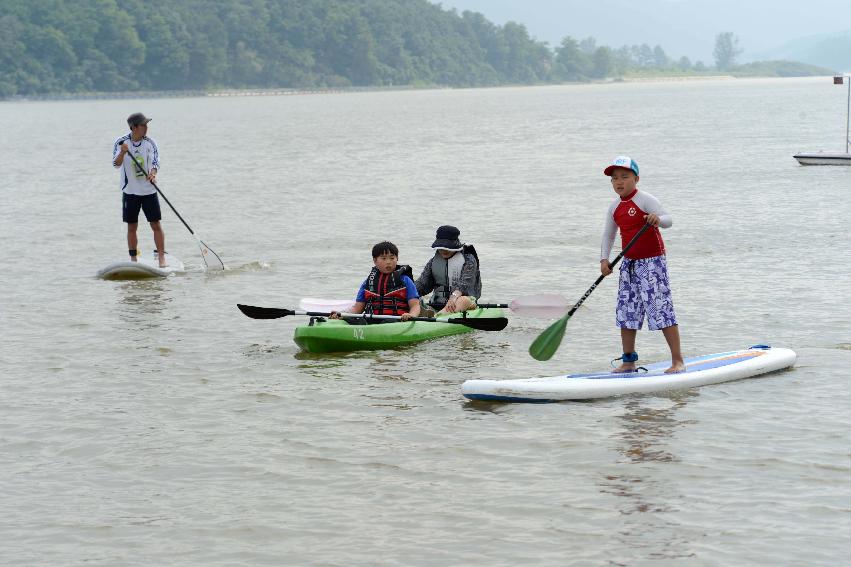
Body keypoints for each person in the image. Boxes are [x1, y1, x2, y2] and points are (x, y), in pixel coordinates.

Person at [599, 156, 684, 374]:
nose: (619, 182)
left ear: (636, 178)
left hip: (653, 262)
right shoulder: (614, 207)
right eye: (615, 178)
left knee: (661, 309)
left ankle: (677, 361)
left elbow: (669, 219)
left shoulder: (645, 199)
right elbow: (608, 236)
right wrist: (604, 260)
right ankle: (629, 362)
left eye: (625, 177)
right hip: (629, 263)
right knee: (627, 312)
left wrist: (657, 219)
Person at [112, 112, 167, 268]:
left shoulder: (150, 143)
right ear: (134, 127)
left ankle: (161, 257)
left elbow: (156, 161)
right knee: (132, 226)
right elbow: (116, 164)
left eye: (146, 124)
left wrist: (153, 173)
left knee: (155, 224)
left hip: (149, 190)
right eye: (143, 125)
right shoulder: (121, 142)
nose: (146, 127)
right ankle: (133, 260)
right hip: (130, 191)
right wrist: (122, 152)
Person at [330, 241, 421, 322]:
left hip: (395, 321)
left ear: (397, 259)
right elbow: (358, 308)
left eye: (392, 258)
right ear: (375, 260)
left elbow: (415, 305)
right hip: (371, 320)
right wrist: (342, 314)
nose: (388, 262)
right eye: (384, 258)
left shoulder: (405, 280)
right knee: (354, 320)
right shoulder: (368, 282)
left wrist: (411, 315)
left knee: (386, 321)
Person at [415, 225, 482, 315]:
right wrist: (406, 293)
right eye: (441, 247)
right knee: (413, 298)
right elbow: (422, 284)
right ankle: (429, 313)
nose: (443, 250)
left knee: (463, 300)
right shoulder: (433, 262)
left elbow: (465, 284)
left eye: (447, 247)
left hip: (463, 301)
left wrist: (453, 297)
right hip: (437, 303)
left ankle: (437, 316)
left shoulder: (468, 259)